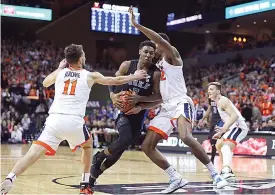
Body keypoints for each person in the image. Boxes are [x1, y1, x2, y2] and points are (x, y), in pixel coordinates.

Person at [1, 44, 148, 195]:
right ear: (80, 59)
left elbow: (45, 83)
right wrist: (133, 76)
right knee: (87, 145)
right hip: (74, 122)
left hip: (54, 121)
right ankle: (85, 185)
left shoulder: (60, 73)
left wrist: (59, 69)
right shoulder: (90, 75)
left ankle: (10, 178)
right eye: (83, 55)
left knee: (32, 154)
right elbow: (113, 80)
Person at [127, 7, 228, 193]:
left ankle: (216, 174)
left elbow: (159, 41)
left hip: (181, 102)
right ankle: (175, 177)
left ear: (163, 45)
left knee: (185, 136)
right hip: (166, 107)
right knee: (147, 146)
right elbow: (158, 98)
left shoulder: (172, 56)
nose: (154, 49)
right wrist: (140, 104)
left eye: (156, 45)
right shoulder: (156, 68)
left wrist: (136, 24)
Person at [89, 40, 165, 191]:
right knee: (124, 139)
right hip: (123, 112)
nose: (148, 55)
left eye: (151, 52)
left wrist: (140, 101)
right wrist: (111, 95)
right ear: (139, 52)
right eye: (146, 52)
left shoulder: (155, 73)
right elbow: (112, 81)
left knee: (120, 149)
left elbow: (159, 97)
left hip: (139, 115)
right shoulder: (127, 65)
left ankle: (94, 176)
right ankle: (98, 156)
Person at [208, 82, 249, 182]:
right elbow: (227, 118)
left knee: (226, 146)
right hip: (232, 127)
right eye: (208, 89)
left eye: (211, 89)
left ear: (218, 91)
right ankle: (226, 170)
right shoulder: (218, 103)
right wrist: (221, 132)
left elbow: (234, 116)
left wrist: (224, 129)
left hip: (239, 127)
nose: (209, 91)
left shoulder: (223, 100)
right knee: (219, 144)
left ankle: (227, 171)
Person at [198, 98, 223, 164]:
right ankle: (212, 159)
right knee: (212, 142)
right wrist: (202, 119)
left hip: (220, 122)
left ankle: (220, 160)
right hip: (213, 122)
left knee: (216, 140)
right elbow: (209, 110)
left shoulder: (222, 99)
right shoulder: (211, 101)